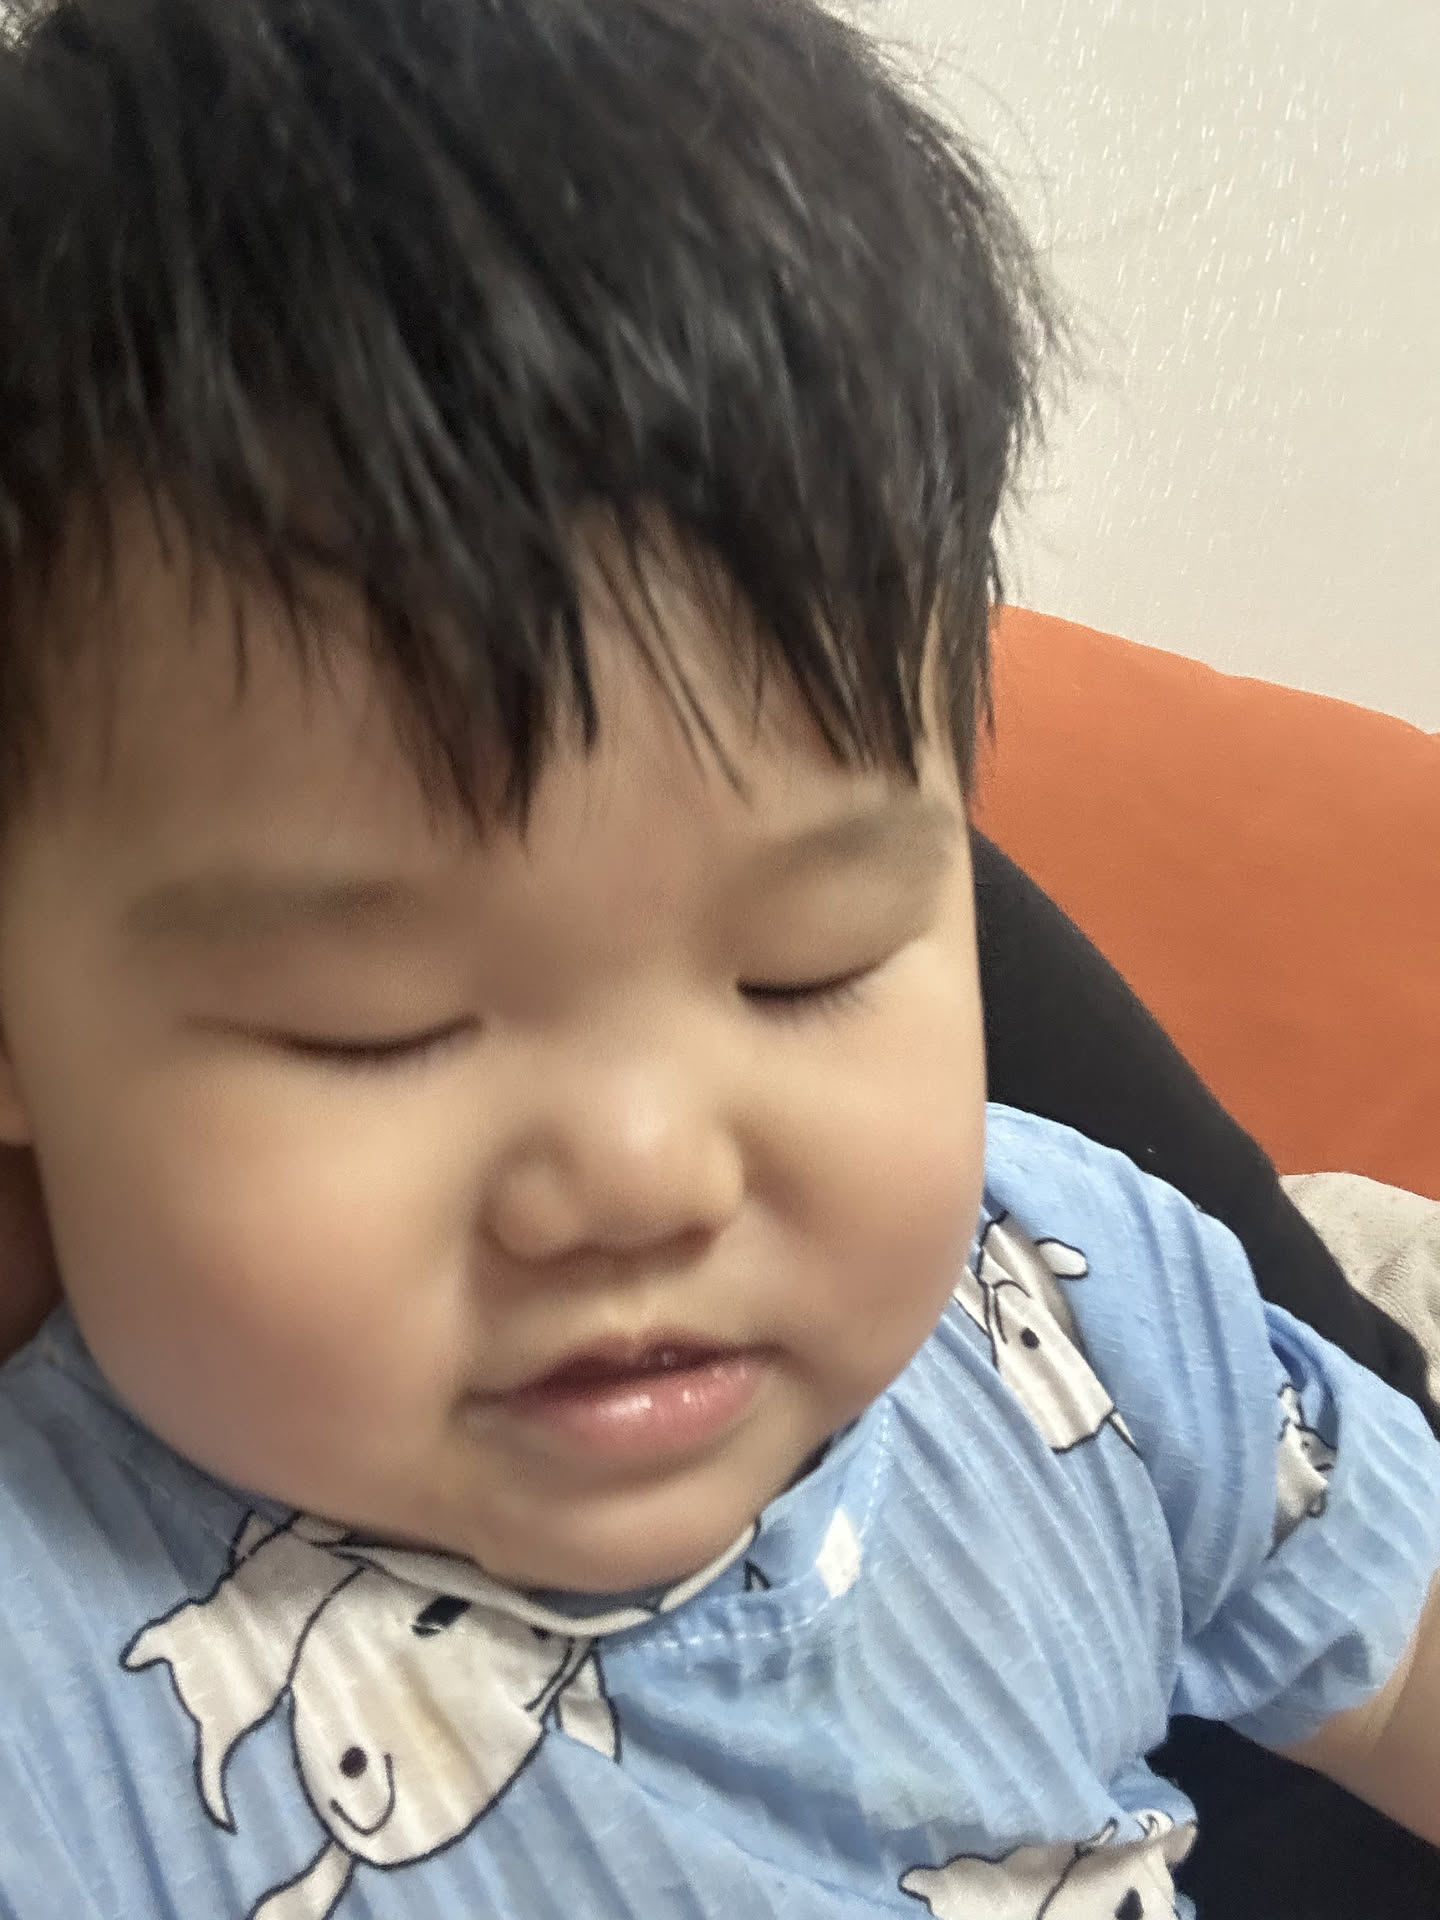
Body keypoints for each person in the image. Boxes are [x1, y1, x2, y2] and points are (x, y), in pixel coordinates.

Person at [0, 3, 1438, 1917]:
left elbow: (1391, 1633)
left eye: (808, 967)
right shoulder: (58, 1711)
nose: (647, 1172)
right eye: (377, 1025)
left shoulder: (1072, 1298)